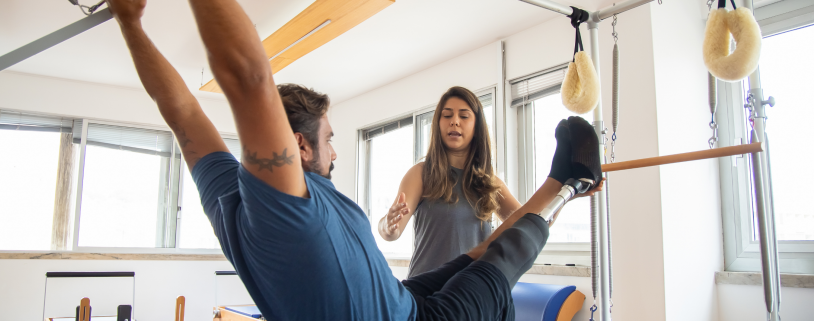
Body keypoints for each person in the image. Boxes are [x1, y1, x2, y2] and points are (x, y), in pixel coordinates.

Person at [106, 0, 603, 320]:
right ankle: (568, 183)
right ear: (299, 147)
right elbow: (245, 74)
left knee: (470, 258)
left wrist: (130, 21)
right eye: (329, 138)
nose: (337, 151)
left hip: (403, 299)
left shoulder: (225, 191)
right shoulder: (282, 203)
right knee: (497, 264)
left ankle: (565, 182)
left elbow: (181, 110)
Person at [377, 86, 523, 277]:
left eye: (464, 116)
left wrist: (565, 191)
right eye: (447, 116)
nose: (454, 121)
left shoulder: (490, 184)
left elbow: (531, 222)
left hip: (471, 294)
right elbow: (391, 232)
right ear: (438, 123)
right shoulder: (420, 174)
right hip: (428, 295)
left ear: (476, 126)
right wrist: (387, 226)